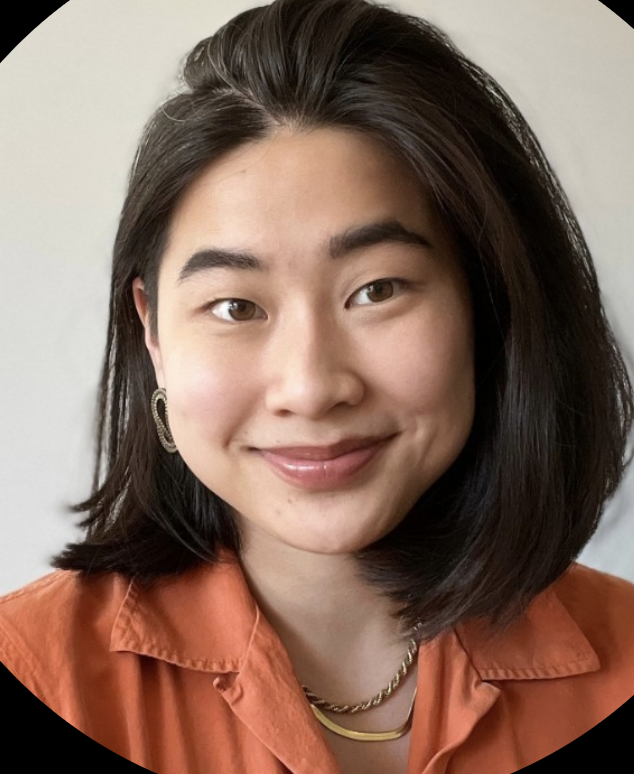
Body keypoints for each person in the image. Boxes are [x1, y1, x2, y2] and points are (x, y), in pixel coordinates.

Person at [1, 0, 633, 771]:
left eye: (377, 290)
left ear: (490, 302)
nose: (309, 387)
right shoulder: (31, 670)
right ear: (154, 334)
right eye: (235, 306)